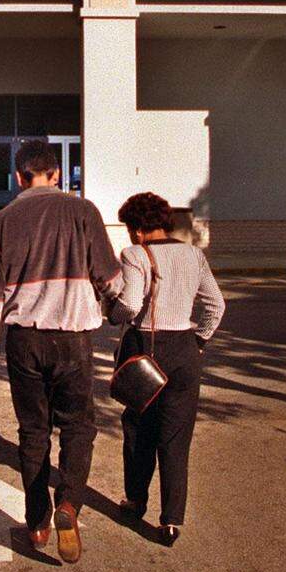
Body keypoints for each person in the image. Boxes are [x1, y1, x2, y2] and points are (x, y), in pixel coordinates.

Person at [0, 139, 123, 564]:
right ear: (57, 175)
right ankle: (69, 503)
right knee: (77, 426)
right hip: (72, 338)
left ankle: (37, 521)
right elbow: (109, 277)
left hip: (24, 341)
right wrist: (114, 307)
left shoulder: (1, 221)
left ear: (19, 178)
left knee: (33, 431)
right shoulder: (83, 212)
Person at [110, 192, 225, 546]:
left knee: (138, 426)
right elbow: (216, 305)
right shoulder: (194, 254)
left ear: (138, 228)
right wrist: (199, 341)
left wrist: (110, 313)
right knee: (176, 438)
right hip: (186, 351)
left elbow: (129, 305)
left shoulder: (134, 254)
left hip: (148, 348)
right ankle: (171, 521)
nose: (130, 235)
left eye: (131, 227)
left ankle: (136, 500)